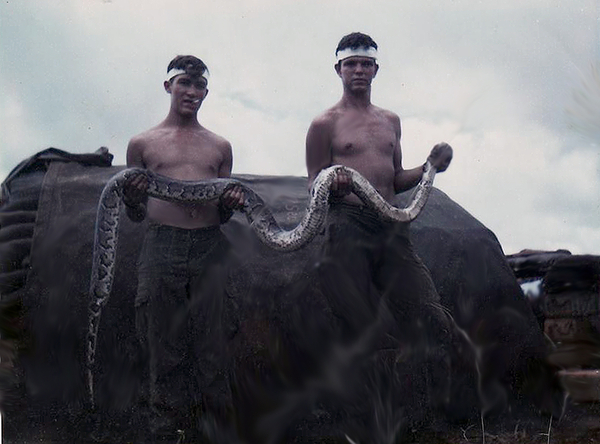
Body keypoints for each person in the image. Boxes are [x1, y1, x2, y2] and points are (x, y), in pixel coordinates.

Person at [304, 32, 458, 434]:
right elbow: (312, 182)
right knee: (358, 328)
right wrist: (333, 182)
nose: (359, 70)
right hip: (347, 227)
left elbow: (395, 179)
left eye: (366, 63)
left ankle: (424, 422)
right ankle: (359, 427)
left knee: (429, 315)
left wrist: (430, 165)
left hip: (391, 230)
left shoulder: (390, 121)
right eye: (351, 63)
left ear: (376, 69)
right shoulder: (324, 124)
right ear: (338, 69)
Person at [123, 55, 244, 442]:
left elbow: (224, 215)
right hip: (161, 246)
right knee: (164, 354)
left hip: (211, 247)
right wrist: (133, 197)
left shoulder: (220, 146)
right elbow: (136, 214)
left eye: (198, 87)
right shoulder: (141, 143)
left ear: (205, 92)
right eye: (183, 84)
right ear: (168, 87)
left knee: (214, 356)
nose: (191, 92)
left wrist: (230, 203)